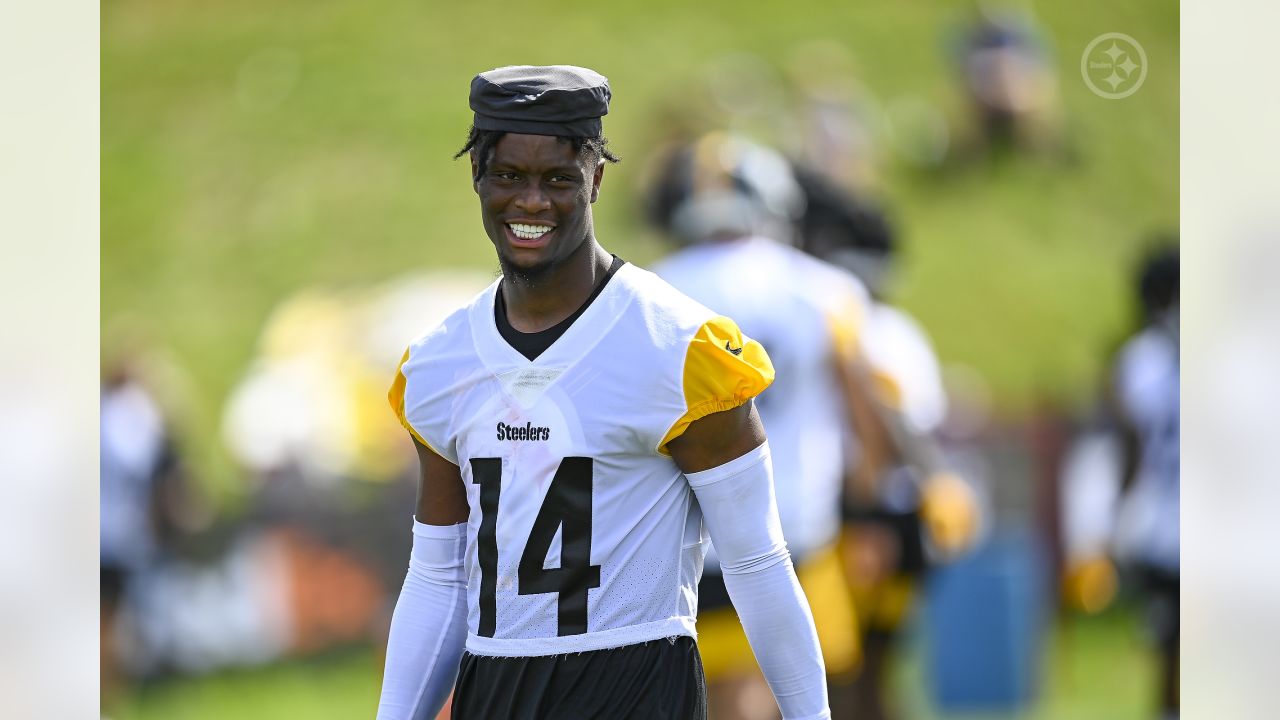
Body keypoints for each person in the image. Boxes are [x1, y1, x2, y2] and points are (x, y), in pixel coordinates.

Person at [376, 66, 831, 720]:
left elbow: (756, 562)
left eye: (557, 179)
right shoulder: (440, 362)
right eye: (509, 176)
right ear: (476, 172)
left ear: (595, 177)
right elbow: (439, 577)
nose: (531, 202)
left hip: (635, 687)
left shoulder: (679, 346)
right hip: (494, 692)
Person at [647, 132, 880, 720]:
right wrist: (870, 507)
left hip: (688, 527)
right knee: (791, 686)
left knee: (717, 687)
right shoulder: (824, 289)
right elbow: (862, 408)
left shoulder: (652, 289)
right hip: (796, 519)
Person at [1111, 243, 1179, 720]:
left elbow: (1129, 449)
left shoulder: (1140, 358)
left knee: (1171, 658)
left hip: (1164, 525)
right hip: (1188, 526)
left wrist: (1118, 515)